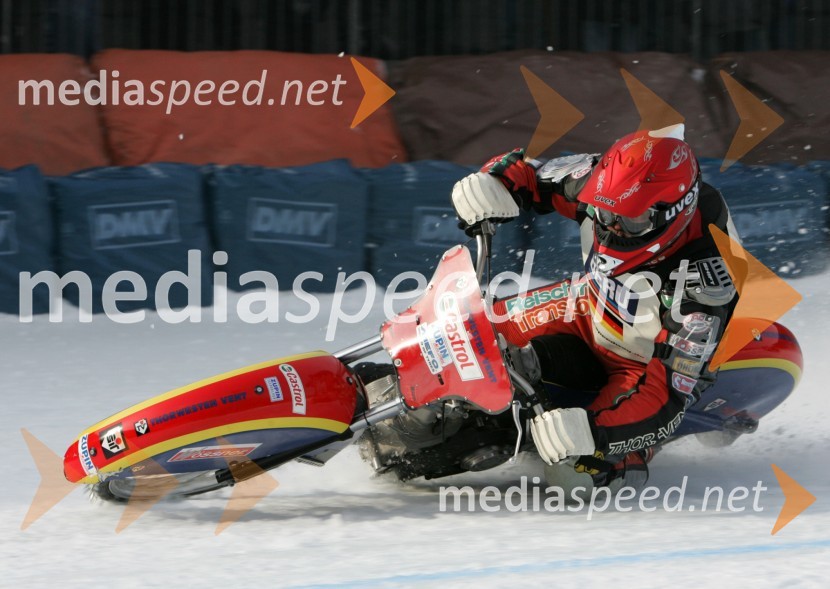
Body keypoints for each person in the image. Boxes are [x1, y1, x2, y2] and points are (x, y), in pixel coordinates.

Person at [451, 124, 740, 494]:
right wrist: (492, 181)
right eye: (604, 214)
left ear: (675, 211)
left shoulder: (704, 289)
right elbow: (528, 171)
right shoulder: (600, 185)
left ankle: (616, 461)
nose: (612, 228)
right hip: (587, 306)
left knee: (576, 470)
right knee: (470, 327)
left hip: (641, 361)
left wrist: (595, 433)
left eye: (631, 221)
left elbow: (666, 396)